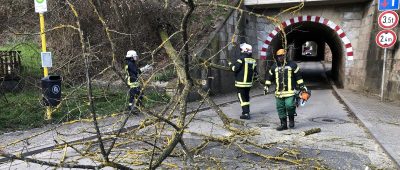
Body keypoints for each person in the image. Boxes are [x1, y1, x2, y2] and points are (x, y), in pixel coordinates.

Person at [264, 49, 308, 130]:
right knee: (280, 108)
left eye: (282, 56)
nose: (281, 57)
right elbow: (270, 77)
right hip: (279, 92)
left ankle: (291, 119)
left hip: (290, 92)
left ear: (285, 56)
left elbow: (298, 77)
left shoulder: (292, 65)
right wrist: (266, 86)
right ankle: (283, 124)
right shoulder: (274, 66)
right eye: (279, 56)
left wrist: (302, 86)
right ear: (277, 57)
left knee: (290, 106)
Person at [229, 43, 258, 120]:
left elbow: (235, 68)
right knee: (246, 97)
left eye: (241, 49)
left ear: (244, 50)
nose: (241, 51)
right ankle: (247, 111)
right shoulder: (253, 60)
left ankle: (245, 113)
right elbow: (255, 73)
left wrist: (230, 65)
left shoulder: (241, 59)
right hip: (248, 84)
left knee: (242, 98)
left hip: (241, 83)